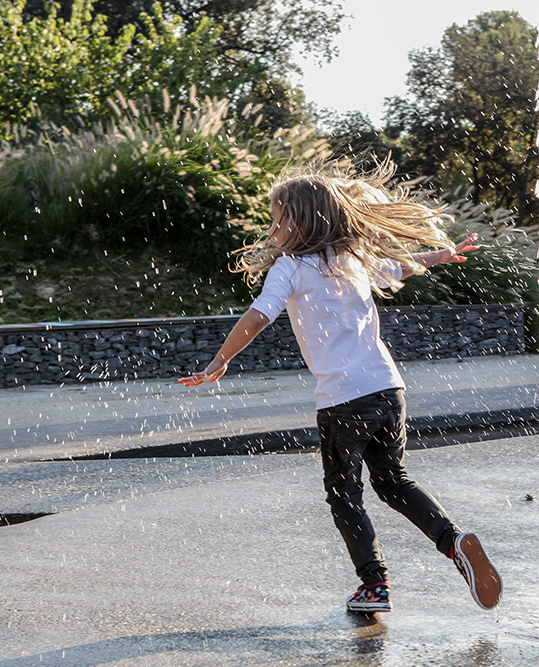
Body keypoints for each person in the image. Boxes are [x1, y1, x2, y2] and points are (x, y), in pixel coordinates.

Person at [179, 162, 502, 613]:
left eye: (277, 221)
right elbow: (400, 268)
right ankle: (454, 542)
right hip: (389, 391)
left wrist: (221, 359)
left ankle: (374, 585)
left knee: (344, 493)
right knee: (394, 482)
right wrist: (441, 257)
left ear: (300, 223)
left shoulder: (291, 268)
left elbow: (259, 315)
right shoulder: (351, 261)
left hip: (343, 401)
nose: (272, 231)